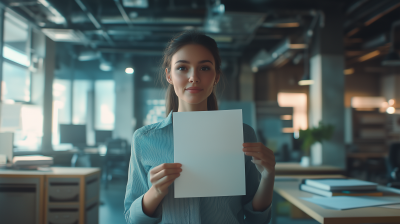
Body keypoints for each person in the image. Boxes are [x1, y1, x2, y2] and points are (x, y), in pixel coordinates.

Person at [124, 31, 276, 224]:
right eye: (182, 68)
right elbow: (131, 219)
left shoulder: (242, 134)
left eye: (204, 68)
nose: (194, 77)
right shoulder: (144, 139)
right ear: (169, 75)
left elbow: (257, 219)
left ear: (216, 76)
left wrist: (269, 175)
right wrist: (156, 192)